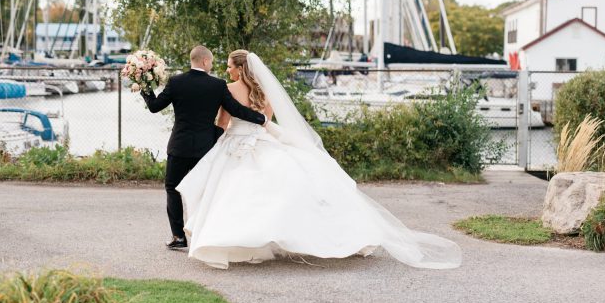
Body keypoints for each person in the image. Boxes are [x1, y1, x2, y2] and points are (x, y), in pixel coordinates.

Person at [175, 49, 461, 269]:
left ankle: (237, 240)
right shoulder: (264, 90)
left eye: (229, 64)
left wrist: (214, 137)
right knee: (280, 187)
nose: (226, 68)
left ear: (238, 68)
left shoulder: (227, 88)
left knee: (230, 193)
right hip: (261, 139)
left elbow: (223, 121)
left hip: (235, 143)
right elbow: (265, 122)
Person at [141, 45, 267, 249]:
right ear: (205, 61)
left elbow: (155, 107)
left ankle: (178, 237)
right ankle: (203, 234)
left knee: (172, 188)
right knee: (204, 191)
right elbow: (235, 110)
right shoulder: (217, 85)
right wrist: (260, 118)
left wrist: (144, 87)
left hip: (179, 146)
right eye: (212, 62)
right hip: (206, 148)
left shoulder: (176, 82)